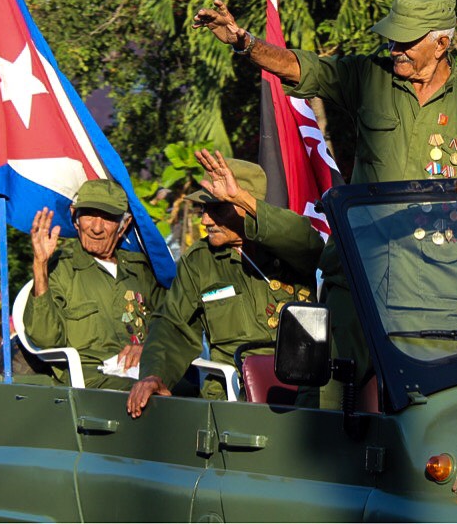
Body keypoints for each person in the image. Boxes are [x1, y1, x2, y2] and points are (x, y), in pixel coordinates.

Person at [195, 0, 457, 398]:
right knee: (326, 413)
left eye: (406, 40)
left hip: (430, 297)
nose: (394, 48)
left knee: (426, 413)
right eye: (392, 37)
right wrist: (245, 43)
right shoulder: (369, 77)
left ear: (441, 43)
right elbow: (301, 69)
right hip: (355, 283)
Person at [127, 157, 322, 418]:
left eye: (217, 208)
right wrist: (154, 374)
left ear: (244, 204)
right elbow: (173, 326)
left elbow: (309, 244)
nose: (205, 221)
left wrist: (243, 199)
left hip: (303, 399)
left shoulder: (289, 247)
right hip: (233, 398)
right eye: (203, 210)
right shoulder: (200, 261)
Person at [23, 179, 168, 389]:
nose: (97, 228)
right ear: (75, 218)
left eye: (108, 218)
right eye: (89, 215)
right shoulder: (61, 269)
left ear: (123, 225)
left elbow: (170, 320)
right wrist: (40, 265)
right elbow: (45, 339)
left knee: (195, 392)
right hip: (93, 381)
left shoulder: (140, 269)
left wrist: (149, 346)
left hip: (148, 371)